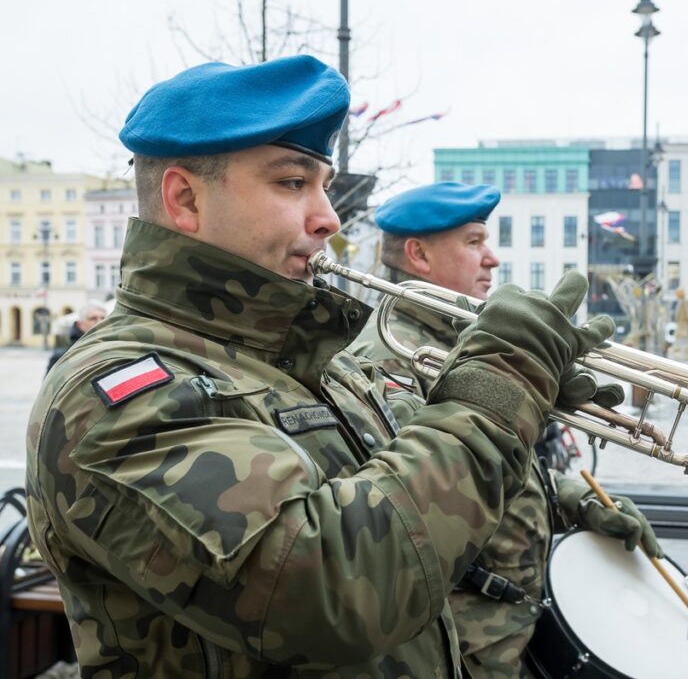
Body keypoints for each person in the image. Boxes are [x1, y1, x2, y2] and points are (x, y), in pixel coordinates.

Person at [25, 56, 617, 678]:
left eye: (324, 187)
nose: (328, 218)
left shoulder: (304, 361)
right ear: (185, 198)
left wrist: (521, 411)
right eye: (291, 183)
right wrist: (493, 395)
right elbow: (333, 590)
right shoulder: (117, 393)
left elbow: (410, 487)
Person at [350, 182, 662, 679]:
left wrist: (574, 500)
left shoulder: (464, 340)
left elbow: (493, 468)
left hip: (508, 628)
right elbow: (416, 498)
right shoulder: (388, 357)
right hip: (460, 643)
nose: (492, 259)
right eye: (474, 242)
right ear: (418, 255)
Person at [45, 302, 107, 373]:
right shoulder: (62, 356)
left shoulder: (112, 348)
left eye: (103, 318)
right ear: (80, 324)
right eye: (93, 318)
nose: (100, 322)